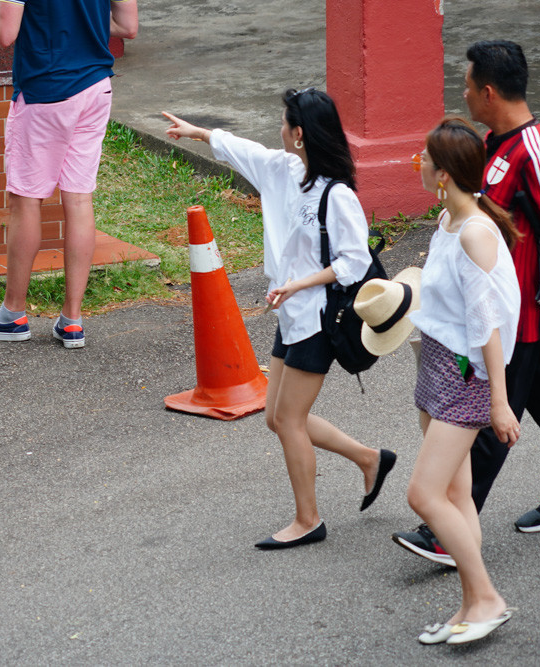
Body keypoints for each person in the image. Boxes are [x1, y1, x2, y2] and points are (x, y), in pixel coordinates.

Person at [394, 40, 540, 568]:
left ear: (488, 91)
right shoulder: (493, 141)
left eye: (467, 85)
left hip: (517, 313)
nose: (462, 93)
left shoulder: (535, 148)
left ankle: (448, 529)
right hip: (509, 309)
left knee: (489, 411)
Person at [162, 88, 398, 550]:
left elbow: (354, 262)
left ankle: (308, 520)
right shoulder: (284, 169)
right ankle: (369, 458)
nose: (279, 128)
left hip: (317, 317)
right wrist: (199, 133)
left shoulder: (338, 196)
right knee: (276, 417)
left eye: (284, 121)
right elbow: (243, 150)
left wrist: (300, 283)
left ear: (300, 133)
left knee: (289, 419)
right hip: (290, 313)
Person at [404, 116, 521, 644]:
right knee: (457, 494)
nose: (419, 164)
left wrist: (499, 401)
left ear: (444, 174)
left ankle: (488, 598)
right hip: (438, 363)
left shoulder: (475, 232)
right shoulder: (450, 222)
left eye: (425, 158)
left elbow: (486, 323)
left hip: (464, 377)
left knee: (424, 496)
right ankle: (470, 605)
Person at [0, 0, 138, 346]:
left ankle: (12, 315)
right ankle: (72, 320)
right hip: (96, 87)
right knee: (79, 199)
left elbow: (6, 33)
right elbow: (127, 26)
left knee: (26, 201)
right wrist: (82, 27)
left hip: (46, 90)